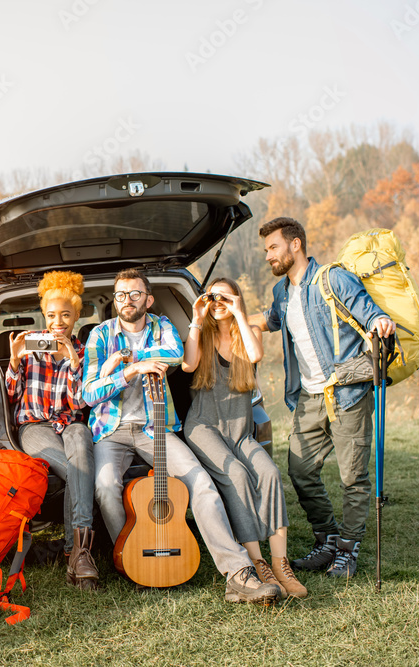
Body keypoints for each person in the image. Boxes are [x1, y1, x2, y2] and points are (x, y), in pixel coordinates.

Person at [82, 268, 282, 604]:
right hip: (111, 431)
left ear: (148, 298)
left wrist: (121, 362)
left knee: (201, 484)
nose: (127, 301)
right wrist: (131, 370)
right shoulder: (100, 336)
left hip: (155, 428)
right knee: (105, 487)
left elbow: (177, 355)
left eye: (134, 294)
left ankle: (237, 572)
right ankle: (130, 559)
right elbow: (89, 393)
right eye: (120, 295)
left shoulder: (161, 327)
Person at [252, 217, 395, 578]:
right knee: (300, 472)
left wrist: (380, 322)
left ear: (295, 244)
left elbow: (369, 311)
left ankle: (348, 550)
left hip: (347, 393)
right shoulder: (282, 292)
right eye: (266, 249)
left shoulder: (333, 279)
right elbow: (270, 320)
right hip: (309, 397)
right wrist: (224, 312)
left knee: (353, 478)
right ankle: (327, 539)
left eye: (273, 248)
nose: (268, 256)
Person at [181, 278, 306, 599]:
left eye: (226, 296)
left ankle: (281, 564)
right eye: (213, 297)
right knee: (235, 475)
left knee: (269, 473)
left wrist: (238, 313)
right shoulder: (202, 335)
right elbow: (188, 364)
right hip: (203, 426)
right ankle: (257, 560)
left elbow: (254, 354)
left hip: (239, 429)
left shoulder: (244, 333)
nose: (218, 302)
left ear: (237, 299)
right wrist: (197, 317)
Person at [6, 270, 98, 590]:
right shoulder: (31, 345)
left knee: (82, 441)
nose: (58, 322)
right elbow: (11, 397)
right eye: (51, 315)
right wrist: (15, 363)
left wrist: (74, 361)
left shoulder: (84, 352)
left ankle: (76, 553)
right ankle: (80, 554)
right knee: (76, 469)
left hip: (70, 422)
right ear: (44, 315)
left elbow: (80, 403)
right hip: (34, 426)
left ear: (76, 316)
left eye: (65, 315)